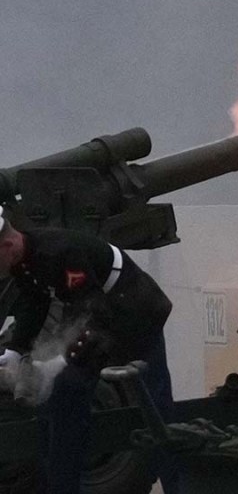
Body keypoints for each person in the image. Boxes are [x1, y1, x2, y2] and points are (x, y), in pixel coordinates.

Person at [0, 205, 181, 494]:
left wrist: (60, 360)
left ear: (8, 245)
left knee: (156, 410)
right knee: (58, 397)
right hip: (98, 317)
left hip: (133, 313)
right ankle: (62, 486)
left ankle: (179, 485)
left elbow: (94, 314)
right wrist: (15, 350)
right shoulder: (24, 259)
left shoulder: (63, 253)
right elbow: (35, 302)